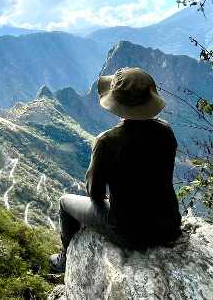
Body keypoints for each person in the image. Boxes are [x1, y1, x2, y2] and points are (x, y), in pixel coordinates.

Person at [49, 67, 182, 273]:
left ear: (117, 104)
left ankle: (65, 258)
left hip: (130, 233)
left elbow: (95, 193)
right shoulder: (165, 131)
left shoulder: (107, 142)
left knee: (64, 202)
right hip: (169, 226)